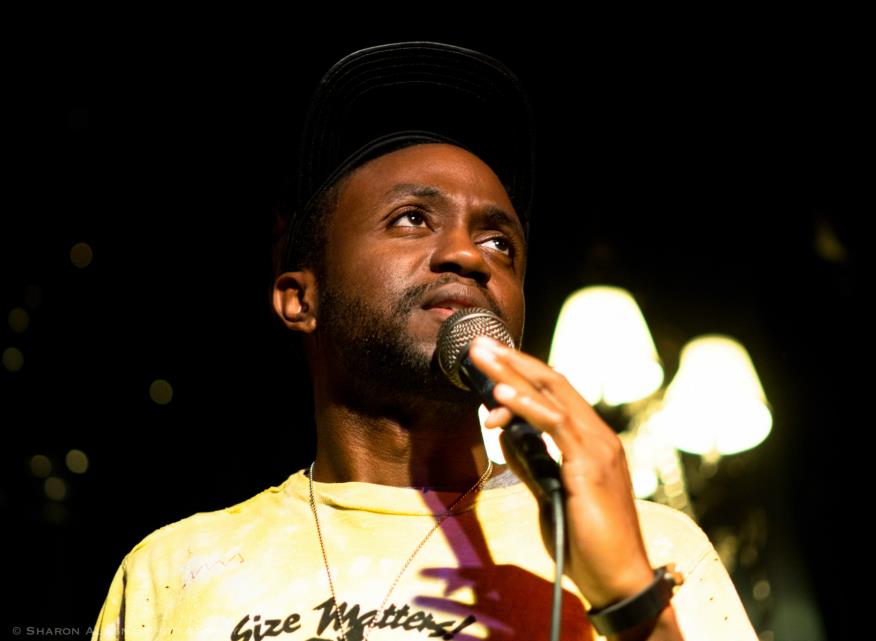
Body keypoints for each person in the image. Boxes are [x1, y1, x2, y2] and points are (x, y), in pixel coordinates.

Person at [92, 42, 758, 641]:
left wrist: (630, 602)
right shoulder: (177, 569)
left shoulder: (650, 546)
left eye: (499, 241)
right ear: (301, 298)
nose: (469, 255)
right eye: (412, 218)